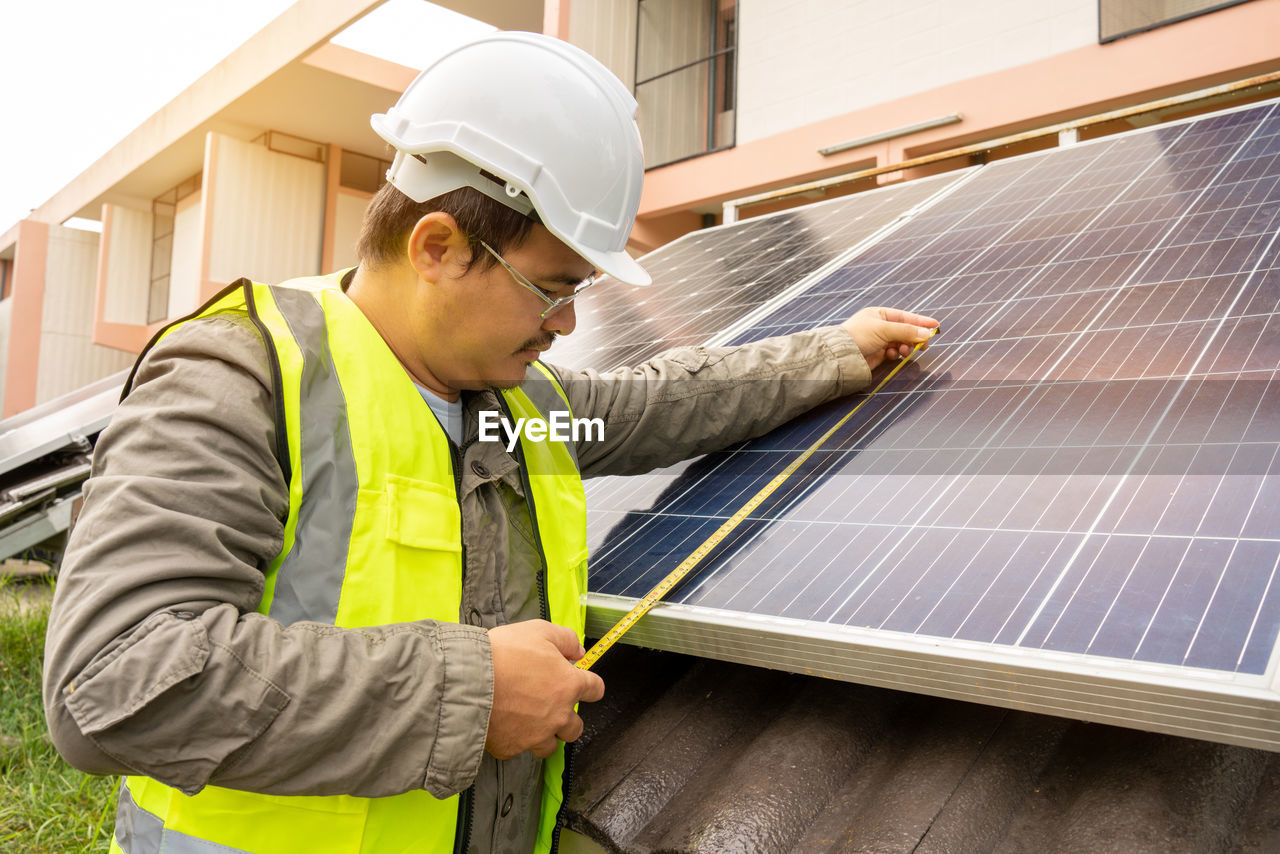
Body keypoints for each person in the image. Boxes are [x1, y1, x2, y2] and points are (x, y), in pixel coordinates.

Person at [42, 32, 937, 854]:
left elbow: (659, 407)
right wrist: (467, 695)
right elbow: (116, 679)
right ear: (439, 246)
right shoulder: (243, 381)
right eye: (552, 286)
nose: (571, 320)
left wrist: (833, 353)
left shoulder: (522, 406)